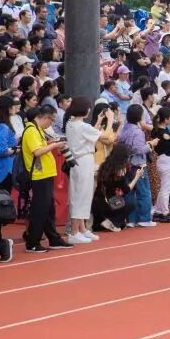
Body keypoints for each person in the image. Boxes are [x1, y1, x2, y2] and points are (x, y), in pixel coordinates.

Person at [21, 106, 71, 253]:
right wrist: (55, 145)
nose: (51, 124)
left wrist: (51, 143)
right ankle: (32, 242)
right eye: (52, 120)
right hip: (39, 175)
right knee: (40, 209)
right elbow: (37, 151)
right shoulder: (31, 130)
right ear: (45, 117)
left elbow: (41, 146)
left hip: (45, 173)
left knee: (48, 209)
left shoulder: (37, 130)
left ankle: (54, 239)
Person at [65, 98, 114, 243]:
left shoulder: (71, 123)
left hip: (79, 160)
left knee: (82, 195)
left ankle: (82, 229)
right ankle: (74, 232)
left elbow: (90, 133)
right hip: (83, 160)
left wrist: (98, 121)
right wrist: (110, 120)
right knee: (81, 196)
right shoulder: (81, 126)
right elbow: (105, 136)